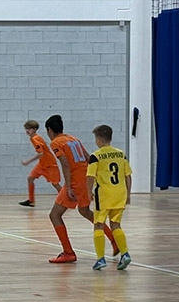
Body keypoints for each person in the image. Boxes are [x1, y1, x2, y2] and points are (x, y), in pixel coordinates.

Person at [44, 115, 119, 263]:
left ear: (50, 130)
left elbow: (65, 164)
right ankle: (114, 240)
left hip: (75, 181)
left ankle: (68, 252)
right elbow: (88, 157)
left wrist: (69, 186)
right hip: (86, 177)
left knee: (54, 215)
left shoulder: (56, 142)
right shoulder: (73, 139)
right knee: (84, 211)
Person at [86, 124, 133, 270]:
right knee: (116, 225)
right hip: (119, 194)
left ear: (99, 140)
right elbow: (128, 175)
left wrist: (88, 192)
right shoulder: (121, 154)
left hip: (104, 196)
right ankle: (125, 254)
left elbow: (90, 177)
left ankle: (100, 259)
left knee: (98, 225)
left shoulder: (95, 156)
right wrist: (128, 194)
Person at [19, 119, 61, 207]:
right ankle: (31, 201)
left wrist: (28, 162)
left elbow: (41, 153)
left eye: (29, 128)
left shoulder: (35, 139)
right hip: (42, 164)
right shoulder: (34, 138)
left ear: (34, 129)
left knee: (55, 184)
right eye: (26, 128)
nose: (27, 130)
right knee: (30, 178)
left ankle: (66, 200)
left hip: (50, 164)